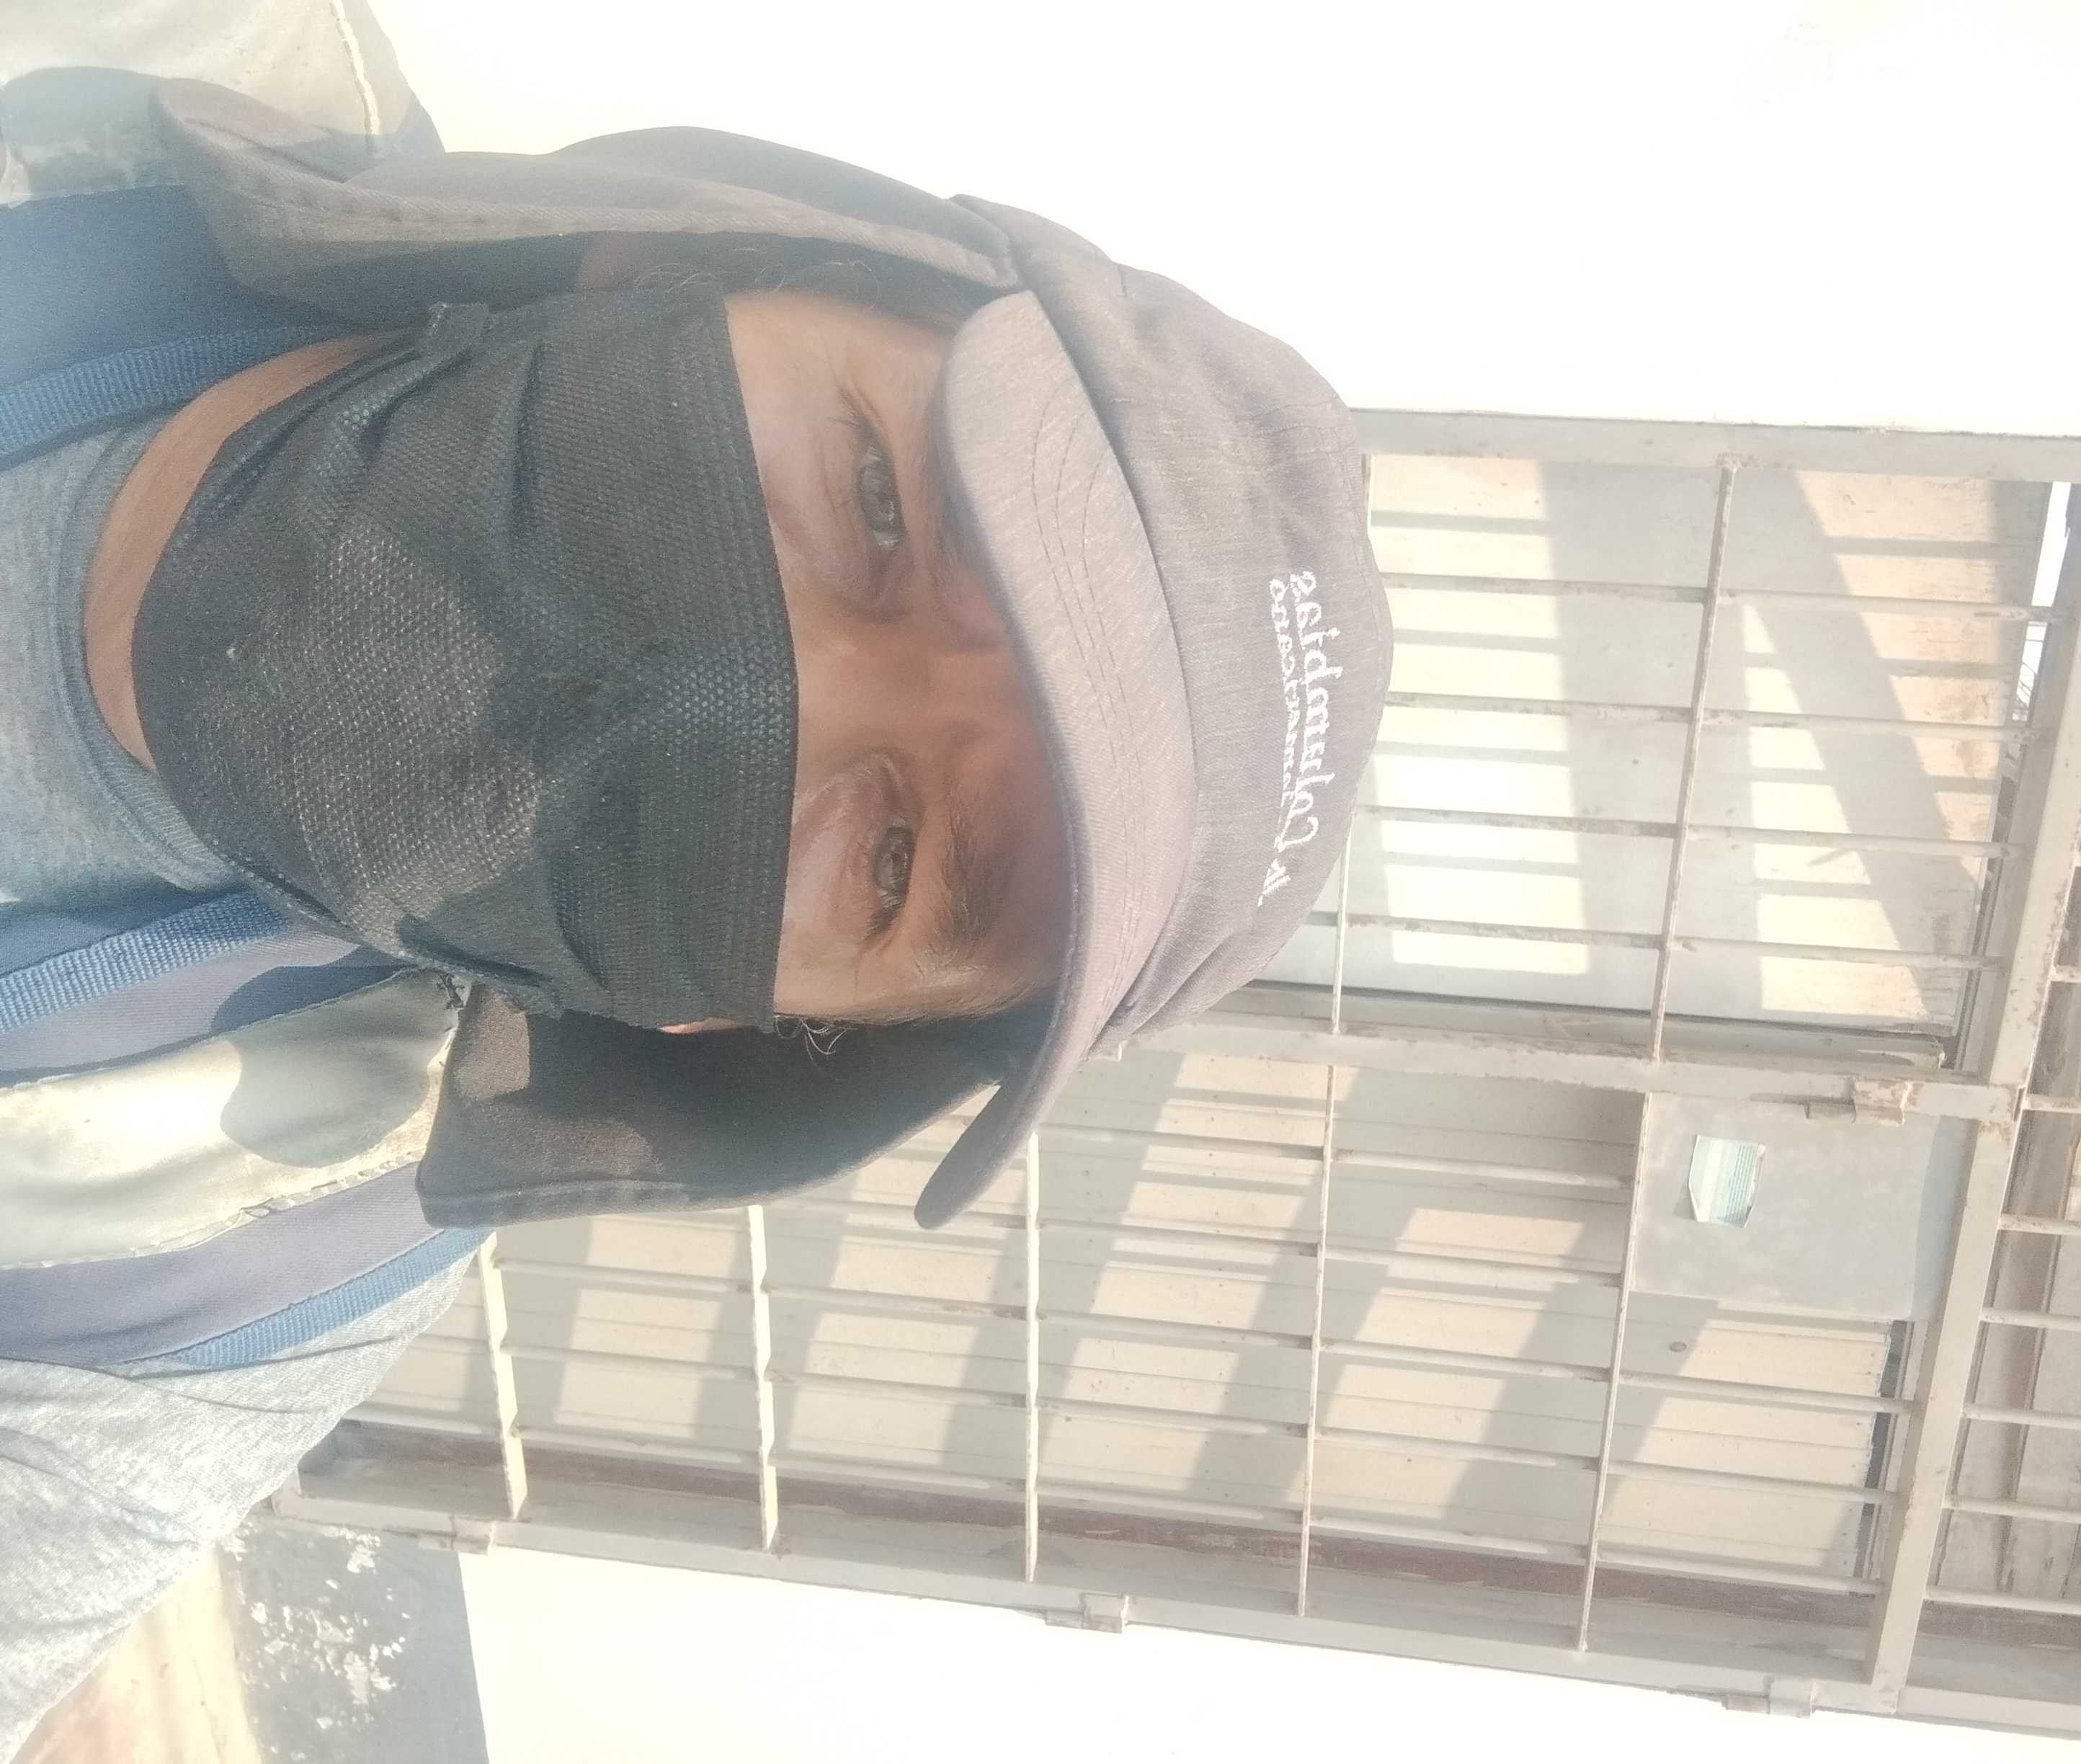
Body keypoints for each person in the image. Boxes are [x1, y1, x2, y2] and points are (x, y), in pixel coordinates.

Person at [0, 6, 1391, 1746]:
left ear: (714, 1022)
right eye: (876, 497)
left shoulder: (237, 1278)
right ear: (683, 254)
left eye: (896, 860)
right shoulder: (165, 57)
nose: (749, 687)